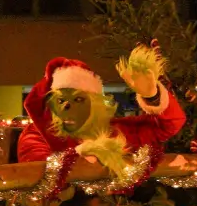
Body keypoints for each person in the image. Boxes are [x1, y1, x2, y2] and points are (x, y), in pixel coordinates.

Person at [16, 44, 185, 169]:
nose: (68, 107)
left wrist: (153, 96)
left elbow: (167, 126)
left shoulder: (115, 131)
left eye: (79, 100)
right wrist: (83, 153)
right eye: (61, 101)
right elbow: (38, 168)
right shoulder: (37, 134)